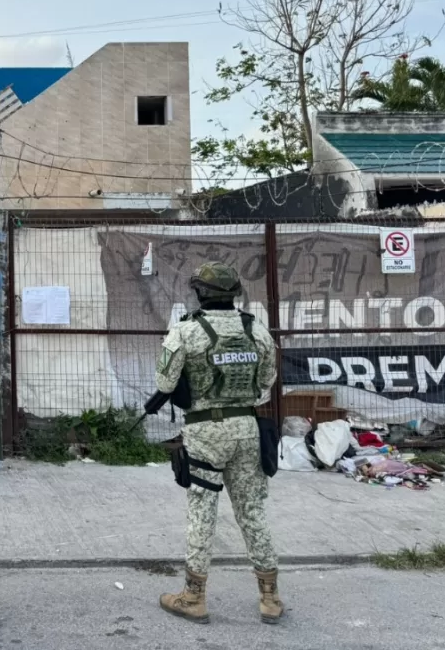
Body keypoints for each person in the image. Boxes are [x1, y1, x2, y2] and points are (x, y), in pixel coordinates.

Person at [155, 262, 283, 626]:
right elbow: (266, 383)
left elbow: (164, 384)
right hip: (247, 428)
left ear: (199, 292)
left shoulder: (185, 331)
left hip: (204, 432)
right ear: (235, 293)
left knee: (202, 513)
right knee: (252, 512)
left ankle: (193, 597)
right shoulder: (256, 330)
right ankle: (270, 598)